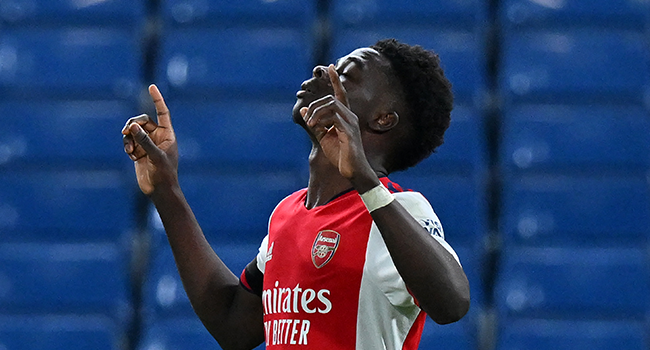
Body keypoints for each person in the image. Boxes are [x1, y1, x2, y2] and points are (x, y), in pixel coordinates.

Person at [122, 38, 470, 349]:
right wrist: (167, 191)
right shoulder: (287, 213)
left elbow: (452, 304)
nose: (323, 69)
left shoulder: (399, 209)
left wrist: (365, 179)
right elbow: (233, 324)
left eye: (346, 74)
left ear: (382, 119)